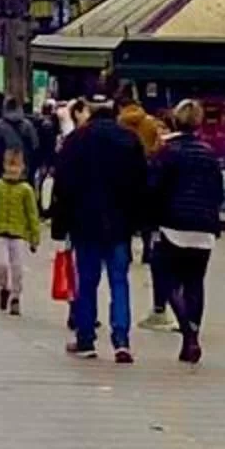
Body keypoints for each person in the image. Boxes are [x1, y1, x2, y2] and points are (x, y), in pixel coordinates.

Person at [50, 94, 149, 362]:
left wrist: (60, 224)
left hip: (85, 222)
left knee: (87, 280)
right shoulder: (129, 140)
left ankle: (86, 339)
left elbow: (63, 185)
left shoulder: (77, 141)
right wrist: (140, 222)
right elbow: (142, 183)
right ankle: (121, 340)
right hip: (120, 223)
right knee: (119, 281)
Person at [147, 100, 222, 366]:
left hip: (174, 224)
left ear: (176, 121)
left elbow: (154, 188)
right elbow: (218, 193)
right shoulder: (209, 153)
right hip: (205, 227)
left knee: (166, 280)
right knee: (195, 282)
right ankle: (194, 333)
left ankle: (188, 334)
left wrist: (151, 220)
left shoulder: (168, 151)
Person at [0, 142, 43, 316]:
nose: (13, 170)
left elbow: (32, 214)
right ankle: (3, 287)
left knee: (18, 267)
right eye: (9, 166)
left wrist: (34, 236)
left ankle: (15, 295)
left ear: (22, 168)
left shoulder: (26, 190)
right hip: (0, 231)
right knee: (1, 264)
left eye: (16, 166)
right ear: (4, 166)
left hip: (19, 233)